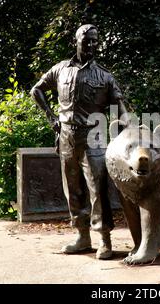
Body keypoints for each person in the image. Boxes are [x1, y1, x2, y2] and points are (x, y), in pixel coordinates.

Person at [30, 24, 129, 259]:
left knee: (97, 190)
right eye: (87, 41)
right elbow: (37, 90)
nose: (92, 45)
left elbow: (120, 108)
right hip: (66, 136)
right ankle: (82, 236)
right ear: (76, 41)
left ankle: (104, 239)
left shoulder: (105, 76)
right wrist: (51, 117)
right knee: (72, 189)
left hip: (94, 136)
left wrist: (129, 129)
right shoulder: (60, 70)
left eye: (95, 41)